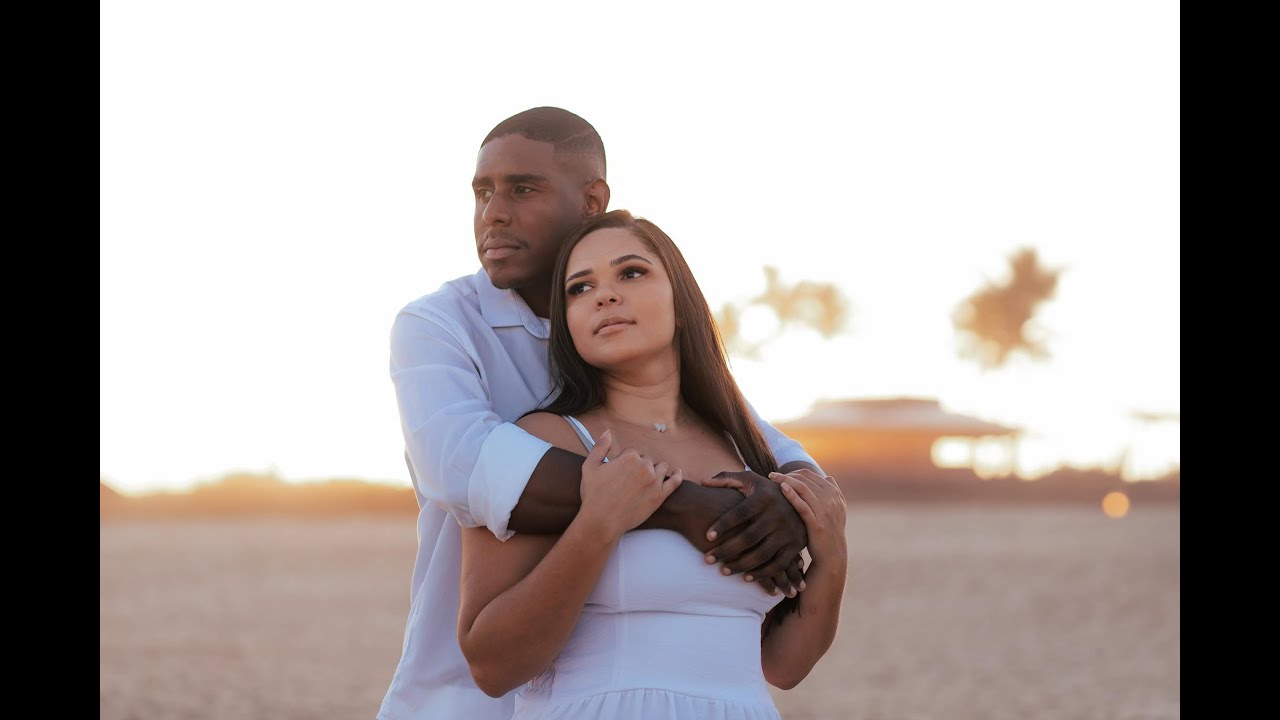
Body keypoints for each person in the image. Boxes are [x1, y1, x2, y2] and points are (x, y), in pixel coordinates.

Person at [379, 107, 824, 720]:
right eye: (482, 193)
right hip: (465, 696)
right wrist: (685, 504)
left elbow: (770, 449)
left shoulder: (646, 351)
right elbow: (465, 469)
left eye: (523, 188)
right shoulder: (438, 324)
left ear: (592, 200)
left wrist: (794, 499)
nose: (494, 213)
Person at [457, 209, 849, 719]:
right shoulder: (539, 445)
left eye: (631, 272)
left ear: (681, 302)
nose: (605, 295)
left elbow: (782, 664)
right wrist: (597, 525)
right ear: (569, 323)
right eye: (579, 288)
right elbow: (492, 666)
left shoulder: (746, 453)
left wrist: (832, 554)